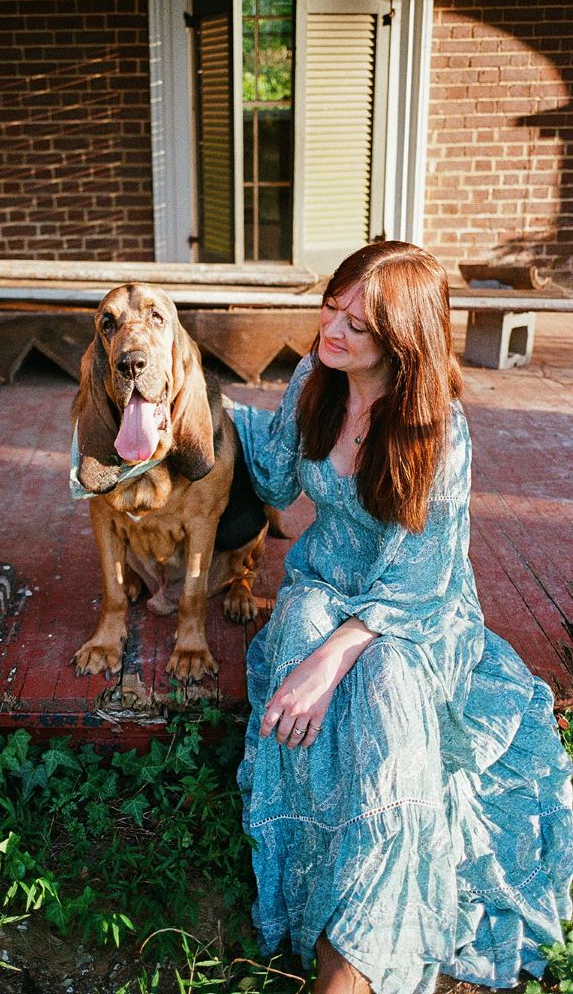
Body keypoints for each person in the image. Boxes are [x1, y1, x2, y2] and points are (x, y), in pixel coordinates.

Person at [231, 241, 573, 994]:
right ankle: (319, 909)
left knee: (385, 697)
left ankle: (357, 957)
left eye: (360, 322)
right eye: (334, 305)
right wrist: (193, 411)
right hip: (324, 584)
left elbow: (422, 580)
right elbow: (277, 473)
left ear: (403, 338)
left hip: (417, 615)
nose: (335, 328)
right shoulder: (315, 380)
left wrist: (336, 657)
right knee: (299, 646)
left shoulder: (438, 428)